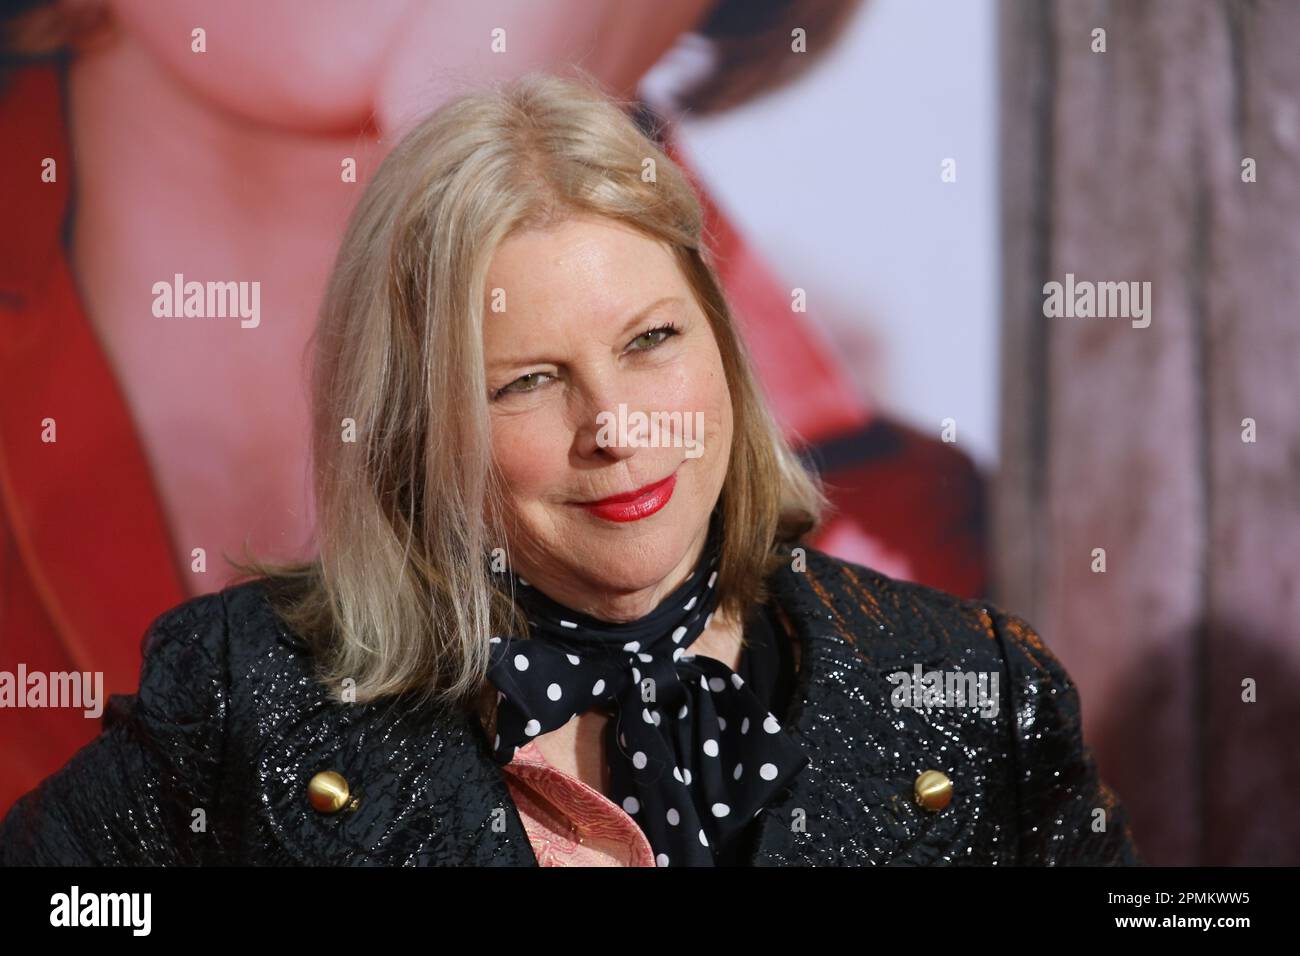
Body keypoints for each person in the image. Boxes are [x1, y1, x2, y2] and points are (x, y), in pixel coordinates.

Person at [0, 72, 1136, 866]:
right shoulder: (249, 696)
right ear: (417, 430)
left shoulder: (974, 687)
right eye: (528, 380)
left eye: (651, 342)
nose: (616, 427)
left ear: (724, 351)